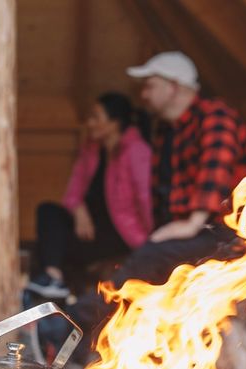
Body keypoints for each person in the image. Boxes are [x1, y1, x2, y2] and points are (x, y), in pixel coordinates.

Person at [52, 51, 246, 356]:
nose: (144, 94)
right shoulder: (168, 131)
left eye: (150, 85)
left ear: (174, 87)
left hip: (231, 233)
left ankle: (67, 325)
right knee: (143, 262)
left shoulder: (215, 116)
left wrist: (189, 224)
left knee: (151, 258)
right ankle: (86, 345)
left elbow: (215, 172)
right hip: (195, 231)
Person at [26, 92, 153, 299]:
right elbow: (72, 192)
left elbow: (145, 197)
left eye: (96, 117)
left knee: (51, 247)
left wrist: (151, 242)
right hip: (89, 227)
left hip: (120, 232)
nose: (89, 123)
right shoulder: (92, 149)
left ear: (114, 123)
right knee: (47, 211)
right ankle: (53, 278)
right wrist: (78, 209)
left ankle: (59, 293)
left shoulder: (136, 150)